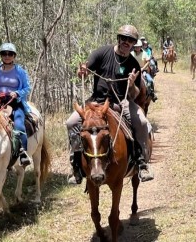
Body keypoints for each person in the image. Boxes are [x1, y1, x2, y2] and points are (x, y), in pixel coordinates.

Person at [65, 24, 154, 184]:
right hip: (96, 102)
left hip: (121, 102)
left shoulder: (133, 64)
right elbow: (84, 71)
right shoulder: (101, 53)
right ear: (118, 39)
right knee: (71, 122)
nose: (127, 42)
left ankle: (142, 163)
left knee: (141, 121)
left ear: (134, 44)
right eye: (124, 39)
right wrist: (82, 72)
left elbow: (133, 94)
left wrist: (133, 84)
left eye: (130, 40)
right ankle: (76, 164)